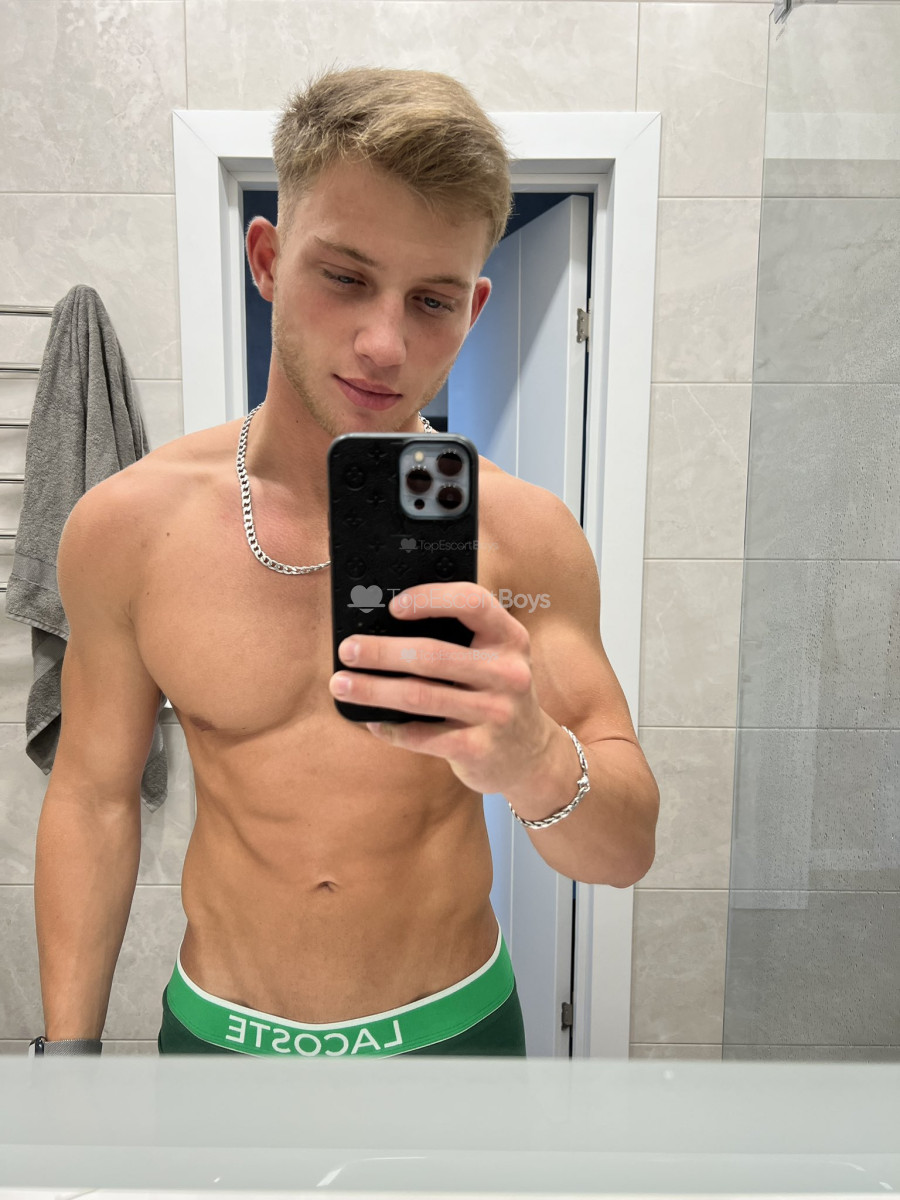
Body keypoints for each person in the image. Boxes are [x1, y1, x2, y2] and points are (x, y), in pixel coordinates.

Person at [31, 66, 660, 1059]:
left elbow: (624, 853)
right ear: (268, 258)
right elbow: (93, 798)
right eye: (345, 277)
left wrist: (535, 758)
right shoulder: (129, 527)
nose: (383, 344)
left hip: (453, 1039)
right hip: (218, 1041)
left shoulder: (525, 536)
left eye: (432, 300)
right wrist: (67, 1059)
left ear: (475, 309)